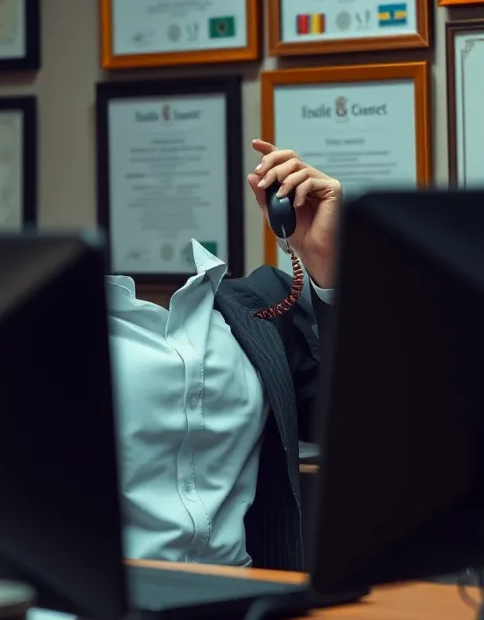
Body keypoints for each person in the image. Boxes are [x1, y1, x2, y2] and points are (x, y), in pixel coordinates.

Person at [107, 139, 342, 573]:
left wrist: (326, 263)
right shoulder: (54, 324)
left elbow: (351, 421)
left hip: (247, 590)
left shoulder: (261, 306)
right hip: (115, 595)